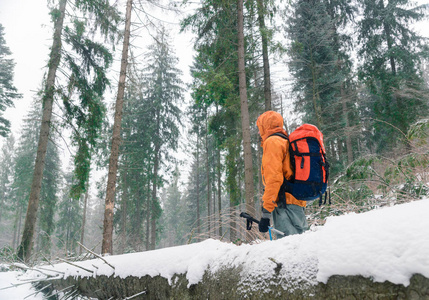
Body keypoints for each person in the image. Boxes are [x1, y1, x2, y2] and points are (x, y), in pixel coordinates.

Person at [256, 110, 308, 237]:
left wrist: (266, 212)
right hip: (297, 202)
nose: (259, 131)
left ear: (265, 126)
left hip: (285, 206)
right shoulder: (285, 141)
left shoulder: (272, 142)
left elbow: (274, 179)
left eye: (260, 127)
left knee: (290, 250)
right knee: (301, 244)